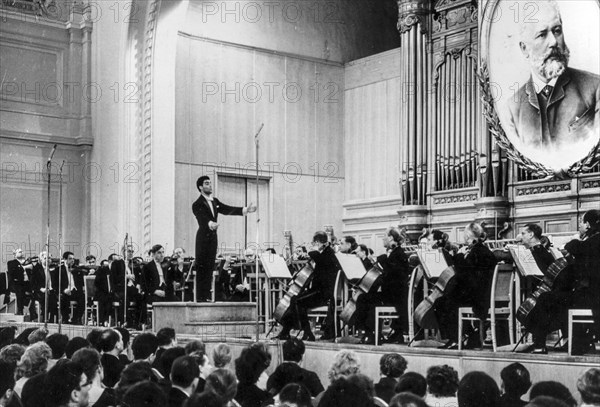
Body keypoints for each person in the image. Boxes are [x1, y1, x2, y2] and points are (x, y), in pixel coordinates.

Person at [505, 1, 599, 156]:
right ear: (524, 48)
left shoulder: (595, 88)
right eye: (542, 35)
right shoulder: (512, 109)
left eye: (557, 31)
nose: (554, 41)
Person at [192, 175, 256, 302]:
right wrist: (210, 224)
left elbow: (227, 209)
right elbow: (201, 217)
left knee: (210, 267)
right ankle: (200, 298)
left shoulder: (214, 201)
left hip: (213, 238)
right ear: (200, 187)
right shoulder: (197, 203)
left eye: (210, 183)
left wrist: (245, 210)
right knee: (202, 267)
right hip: (202, 239)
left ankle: (205, 297)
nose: (210, 185)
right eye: (206, 183)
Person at [435, 222, 497, 349]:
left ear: (469, 237)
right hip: (486, 295)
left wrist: (458, 255)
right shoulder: (485, 251)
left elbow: (463, 275)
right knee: (450, 297)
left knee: (442, 302)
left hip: (476, 298)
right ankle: (468, 334)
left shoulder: (475, 252)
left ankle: (456, 338)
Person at [275, 231, 340, 341]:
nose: (313, 245)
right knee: (295, 300)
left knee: (296, 301)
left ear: (318, 242)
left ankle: (306, 332)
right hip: (318, 291)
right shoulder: (324, 253)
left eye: (314, 243)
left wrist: (311, 253)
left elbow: (319, 259)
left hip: (322, 293)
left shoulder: (328, 253)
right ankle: (287, 331)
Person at [354, 226, 410, 344]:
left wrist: (381, 265)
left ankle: (372, 334)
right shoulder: (394, 253)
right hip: (391, 293)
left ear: (390, 238)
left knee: (365, 299)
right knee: (365, 298)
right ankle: (370, 333)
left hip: (396, 296)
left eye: (384, 237)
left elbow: (395, 277)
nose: (383, 239)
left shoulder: (398, 254)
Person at [517, 224, 564, 354]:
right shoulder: (539, 250)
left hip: (548, 290)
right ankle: (536, 340)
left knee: (530, 310)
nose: (521, 236)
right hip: (547, 288)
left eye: (523, 233)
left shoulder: (539, 252)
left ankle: (538, 342)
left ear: (531, 234)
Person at [564, 209, 600, 355]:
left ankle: (577, 343)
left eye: (582, 222)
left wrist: (576, 239)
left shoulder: (594, 240)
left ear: (588, 224)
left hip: (595, 293)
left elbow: (573, 247)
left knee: (567, 300)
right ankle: (584, 341)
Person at [7, 248, 34, 318]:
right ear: (15, 255)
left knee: (35, 292)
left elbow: (33, 269)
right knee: (20, 290)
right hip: (16, 283)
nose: (21, 253)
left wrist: (25, 266)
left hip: (27, 283)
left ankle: (32, 311)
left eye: (22, 251)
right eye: (19, 252)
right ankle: (20, 310)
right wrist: (24, 267)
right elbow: (14, 272)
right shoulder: (11, 263)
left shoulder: (27, 262)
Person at [59, 252, 85, 325]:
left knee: (83, 298)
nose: (72, 260)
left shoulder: (77, 269)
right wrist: (64, 290)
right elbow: (56, 284)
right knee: (64, 298)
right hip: (65, 291)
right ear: (64, 259)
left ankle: (76, 318)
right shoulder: (59, 269)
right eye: (70, 259)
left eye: (73, 259)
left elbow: (81, 282)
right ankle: (65, 319)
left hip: (75, 290)